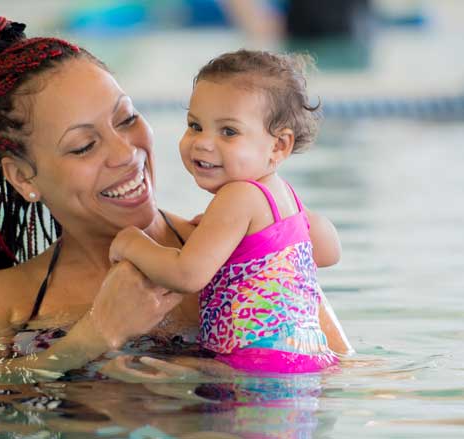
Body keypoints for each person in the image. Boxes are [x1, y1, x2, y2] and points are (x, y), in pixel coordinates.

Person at [0, 8, 352, 379]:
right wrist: (93, 337)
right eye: (84, 146)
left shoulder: (243, 256)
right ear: (24, 177)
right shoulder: (1, 303)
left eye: (127, 118)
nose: (125, 152)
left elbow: (336, 371)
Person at [109, 50, 342, 374]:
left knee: (131, 372)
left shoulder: (238, 197)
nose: (203, 143)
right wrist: (241, 237)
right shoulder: (283, 197)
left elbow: (186, 275)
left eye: (228, 131)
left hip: (250, 368)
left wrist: (132, 243)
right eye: (195, 125)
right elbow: (330, 251)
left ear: (279, 146)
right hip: (303, 359)